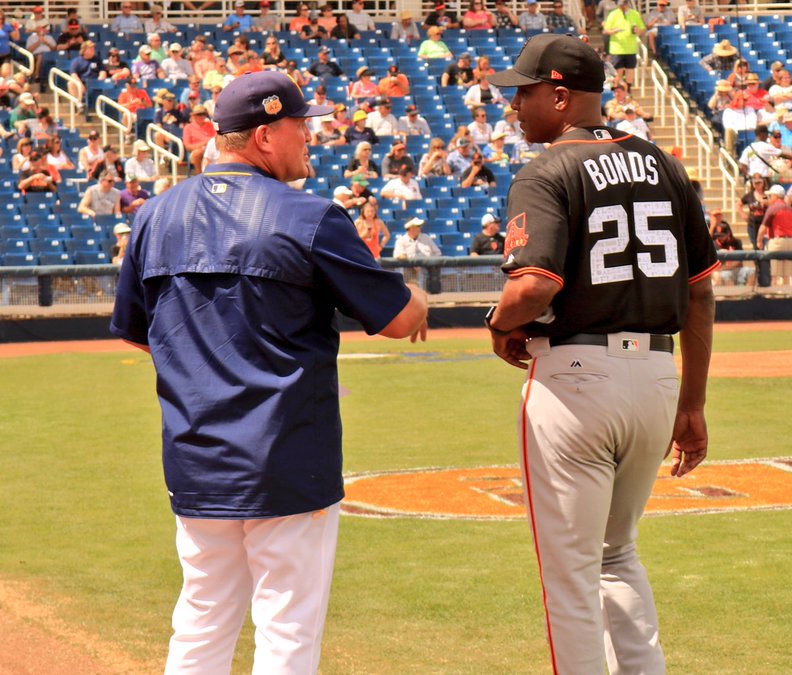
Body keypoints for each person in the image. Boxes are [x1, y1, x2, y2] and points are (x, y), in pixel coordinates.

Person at [111, 71, 427, 673]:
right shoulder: (308, 215)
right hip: (287, 458)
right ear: (263, 137)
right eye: (299, 125)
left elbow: (142, 334)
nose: (309, 136)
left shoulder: (154, 216)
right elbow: (395, 318)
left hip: (198, 459)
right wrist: (422, 301)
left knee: (200, 623)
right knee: (287, 630)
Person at [484, 34, 717, 675]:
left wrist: (497, 321)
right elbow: (700, 296)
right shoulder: (665, 164)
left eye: (524, 93)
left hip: (577, 379)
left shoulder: (546, 170)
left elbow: (533, 285)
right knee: (618, 555)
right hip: (656, 376)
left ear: (559, 96)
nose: (515, 106)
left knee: (571, 574)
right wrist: (692, 402)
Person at [603, 0, 644, 88]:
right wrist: (613, 31)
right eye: (620, 5)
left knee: (630, 70)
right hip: (617, 48)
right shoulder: (613, 14)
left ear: (627, 4)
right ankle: (616, 89)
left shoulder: (635, 14)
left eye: (623, 5)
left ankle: (628, 90)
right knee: (618, 71)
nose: (621, 7)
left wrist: (638, 31)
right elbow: (606, 29)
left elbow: (642, 28)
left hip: (631, 48)